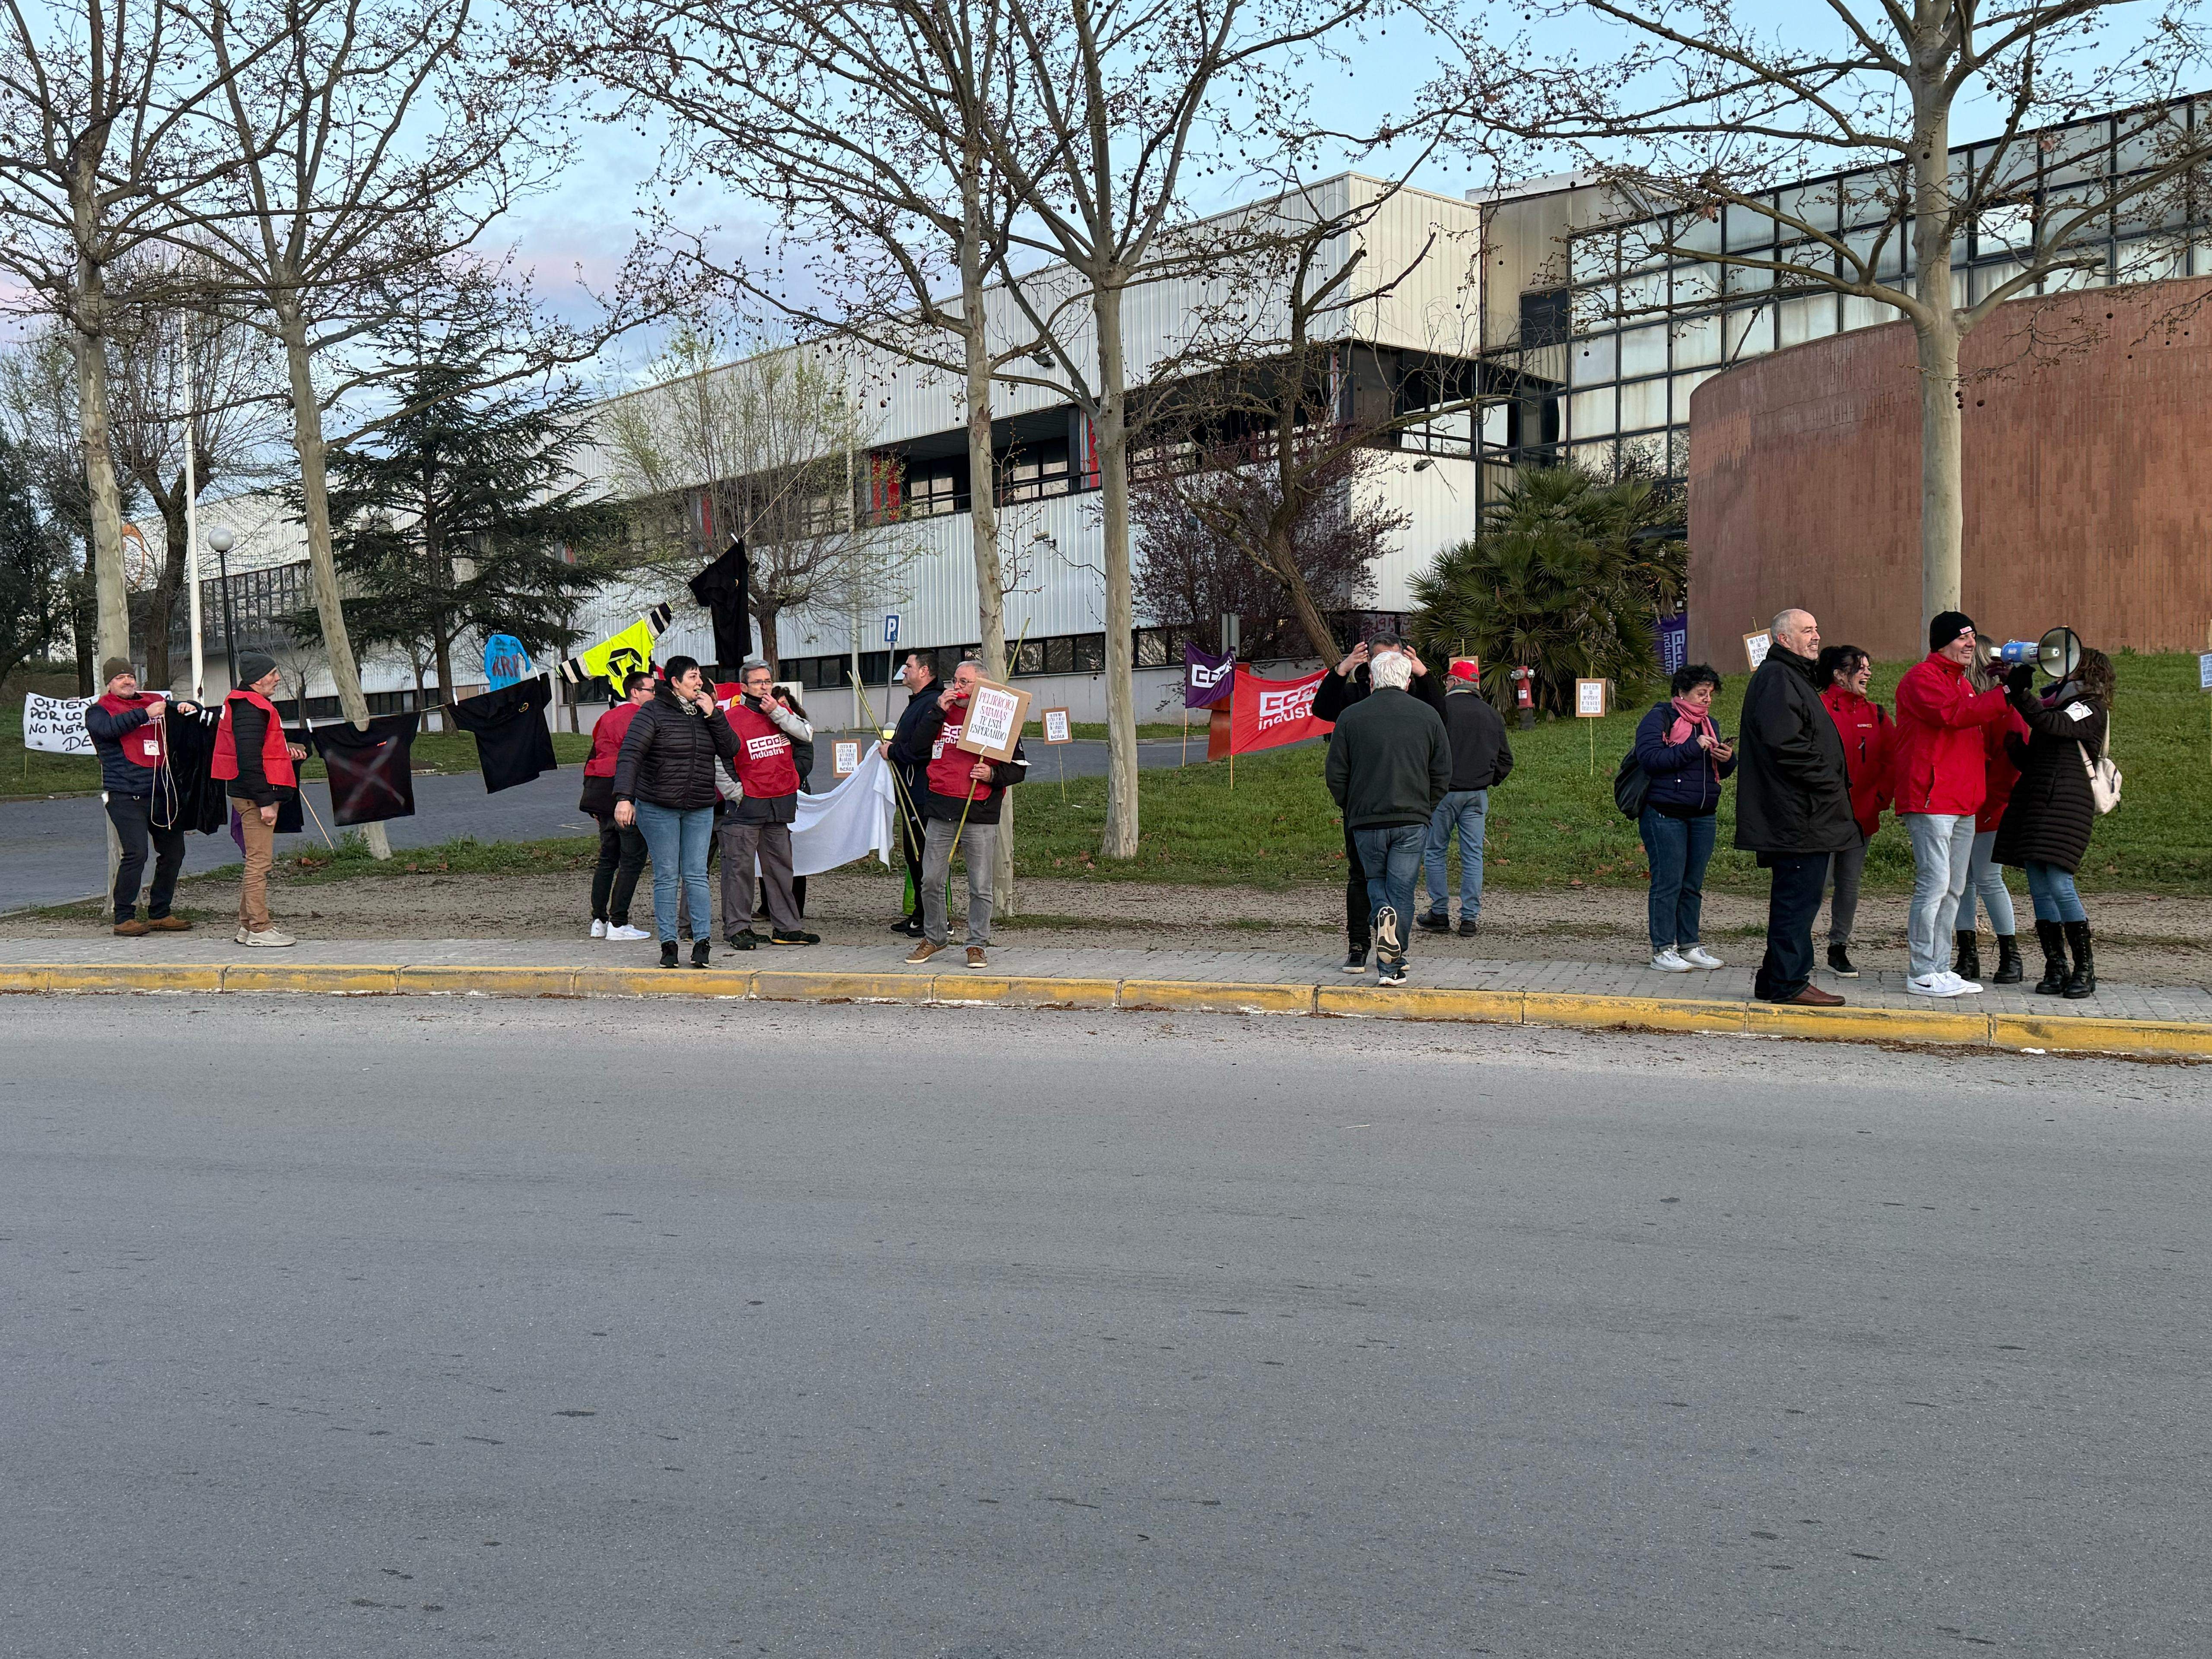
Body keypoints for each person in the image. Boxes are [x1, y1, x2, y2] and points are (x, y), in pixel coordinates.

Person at [1734, 610, 1856, 1006]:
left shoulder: (1792, 677)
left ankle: (1774, 980)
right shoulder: (1777, 678)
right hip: (1797, 816)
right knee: (1797, 902)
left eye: (1818, 628)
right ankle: (1789, 982)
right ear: (1784, 639)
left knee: (1799, 899)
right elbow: (1786, 745)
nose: (1816, 636)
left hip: (1805, 813)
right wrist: (1829, 781)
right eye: (1807, 630)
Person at [1891, 611, 2013, 997]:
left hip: (1962, 801)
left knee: (1955, 888)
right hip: (1931, 799)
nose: (1971, 645)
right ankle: (1921, 970)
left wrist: (2008, 690)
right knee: (1935, 884)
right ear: (1942, 641)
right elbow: (1953, 715)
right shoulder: (1921, 678)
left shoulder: (1964, 684)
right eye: (1964, 638)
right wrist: (2004, 694)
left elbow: (1974, 721)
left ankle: (1940, 966)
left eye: (1974, 638)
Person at [1313, 635, 1447, 973]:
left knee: (1380, 881)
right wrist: (1341, 670)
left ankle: (1390, 949)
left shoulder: (1416, 699)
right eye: (1380, 659)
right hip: (1375, 811)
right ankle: (1365, 948)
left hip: (1386, 810)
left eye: (1395, 658)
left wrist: (1424, 675)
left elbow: (1441, 716)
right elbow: (1323, 710)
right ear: (1368, 666)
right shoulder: (1357, 698)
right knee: (1370, 880)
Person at [1993, 645, 2114, 1000]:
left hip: (2066, 806)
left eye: (2071, 666)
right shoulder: (2059, 704)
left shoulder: (2090, 708)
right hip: (2038, 803)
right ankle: (2055, 967)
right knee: (2040, 888)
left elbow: (2053, 725)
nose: (2062, 671)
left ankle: (2084, 969)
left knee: (2060, 884)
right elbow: (2043, 755)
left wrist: (2019, 693)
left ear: (2087, 672)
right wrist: (2017, 748)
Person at [612, 656, 740, 969]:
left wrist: (715, 716)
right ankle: (669, 945)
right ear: (676, 682)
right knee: (667, 876)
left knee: (697, 875)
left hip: (699, 806)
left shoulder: (706, 713)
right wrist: (624, 798)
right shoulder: (652, 712)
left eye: (700, 677)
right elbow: (630, 755)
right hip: (658, 806)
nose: (700, 682)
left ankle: (702, 944)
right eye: (693, 677)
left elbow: (731, 749)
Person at [903, 659, 1028, 970]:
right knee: (930, 879)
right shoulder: (940, 713)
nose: (955, 687)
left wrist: (992, 775)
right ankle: (935, 936)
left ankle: (976, 944)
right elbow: (917, 749)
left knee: (980, 885)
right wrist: (937, 712)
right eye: (954, 681)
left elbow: (1019, 768)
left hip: (979, 809)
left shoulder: (998, 716)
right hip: (941, 808)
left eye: (963, 682)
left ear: (982, 686)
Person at [1632, 662, 1736, 972]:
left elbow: (1720, 772)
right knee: (1668, 883)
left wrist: (1728, 759)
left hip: (1703, 814)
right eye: (1701, 694)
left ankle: (1689, 945)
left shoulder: (1710, 725)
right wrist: (1693, 747)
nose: (1707, 700)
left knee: (1692, 884)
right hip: (1665, 813)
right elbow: (1650, 759)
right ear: (1681, 693)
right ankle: (1663, 949)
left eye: (1710, 694)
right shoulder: (1660, 718)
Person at [85, 657, 200, 937]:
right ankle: (123, 917)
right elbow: (107, 731)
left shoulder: (152, 700)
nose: (128, 681)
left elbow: (192, 710)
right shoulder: (98, 711)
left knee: (174, 853)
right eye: (120, 677)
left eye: (130, 676)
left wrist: (188, 707)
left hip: (162, 793)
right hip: (125, 795)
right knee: (136, 853)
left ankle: (160, 912)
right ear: (109, 683)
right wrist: (146, 715)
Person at [210, 651, 310, 948]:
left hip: (250, 794)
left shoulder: (246, 705)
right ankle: (259, 928)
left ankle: (246, 927)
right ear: (257, 678)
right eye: (273, 673)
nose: (277, 679)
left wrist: (285, 748)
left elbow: (258, 749)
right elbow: (249, 759)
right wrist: (266, 800)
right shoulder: (252, 709)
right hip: (254, 797)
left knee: (255, 861)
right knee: (259, 863)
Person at [717, 661, 819, 951]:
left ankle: (787, 927)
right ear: (744, 687)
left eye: (768, 681)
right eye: (758, 682)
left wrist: (777, 712)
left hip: (779, 805)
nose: (764, 686)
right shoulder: (732, 718)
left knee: (781, 870)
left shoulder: (781, 714)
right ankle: (738, 927)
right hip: (746, 808)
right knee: (740, 871)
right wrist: (736, 792)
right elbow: (719, 760)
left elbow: (806, 735)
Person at [1417, 659, 1513, 937]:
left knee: (1435, 852)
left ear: (1455, 682)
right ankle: (1469, 918)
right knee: (1473, 855)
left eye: (1447, 680)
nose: (1446, 685)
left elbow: (1427, 752)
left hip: (1443, 794)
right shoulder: (1491, 714)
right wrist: (1487, 780)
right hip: (1477, 795)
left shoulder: (1440, 710)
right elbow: (1506, 760)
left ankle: (1439, 911)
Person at [1814, 645, 1892, 978]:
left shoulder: (1877, 714)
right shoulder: (1816, 708)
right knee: (1814, 884)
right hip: (1820, 817)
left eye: (1869, 666)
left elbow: (1893, 762)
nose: (1868, 673)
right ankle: (1795, 946)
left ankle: (1838, 948)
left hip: (1862, 818)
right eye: (1861, 667)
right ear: (1838, 674)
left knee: (1849, 885)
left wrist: (1879, 800)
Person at [1959, 651, 2031, 985]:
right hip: (1973, 802)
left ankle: (2009, 954)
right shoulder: (1983, 711)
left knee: (1987, 878)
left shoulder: (2003, 714)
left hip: (1991, 805)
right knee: (1964, 881)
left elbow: (2008, 768)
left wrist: (1987, 803)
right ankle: (1968, 954)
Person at [579, 671, 654, 941]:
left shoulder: (605, 718)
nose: (654, 696)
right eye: (651, 690)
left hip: (600, 793)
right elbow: (642, 759)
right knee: (632, 860)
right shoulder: (642, 718)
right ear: (635, 692)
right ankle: (619, 923)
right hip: (626, 791)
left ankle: (599, 920)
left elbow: (593, 757)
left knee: (607, 860)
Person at [880, 650, 940, 937]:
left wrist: (892, 751)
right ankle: (919, 912)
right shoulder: (918, 702)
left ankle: (932, 916)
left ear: (925, 671)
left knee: (923, 855)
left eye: (909, 666)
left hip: (923, 792)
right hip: (910, 792)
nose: (904, 671)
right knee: (913, 854)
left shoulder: (931, 703)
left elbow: (919, 749)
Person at [757, 683, 814, 924]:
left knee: (793, 857)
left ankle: (794, 908)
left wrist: (782, 775)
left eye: (784, 707)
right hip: (767, 796)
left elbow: (805, 763)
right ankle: (767, 906)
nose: (779, 711)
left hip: (794, 796)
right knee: (767, 856)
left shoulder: (800, 733)